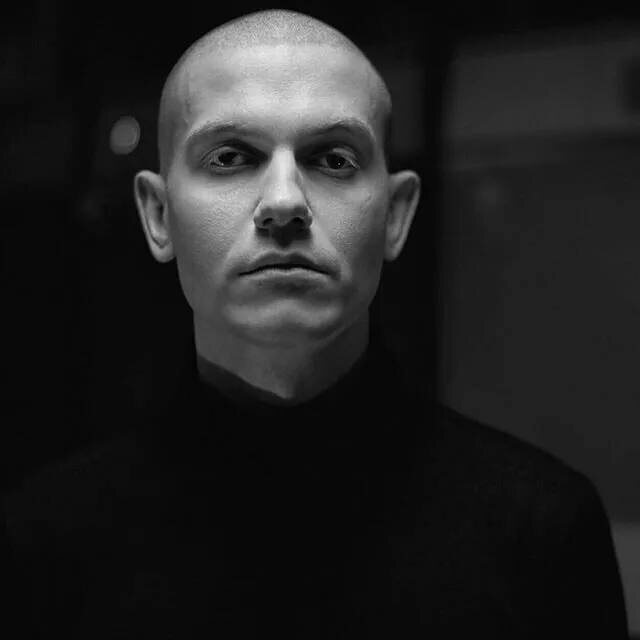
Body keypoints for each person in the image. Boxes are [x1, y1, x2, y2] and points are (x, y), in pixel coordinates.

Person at [0, 9, 629, 639]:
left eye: (333, 159)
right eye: (230, 156)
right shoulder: (42, 547)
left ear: (395, 216)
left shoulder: (542, 534)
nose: (284, 203)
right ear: (158, 216)